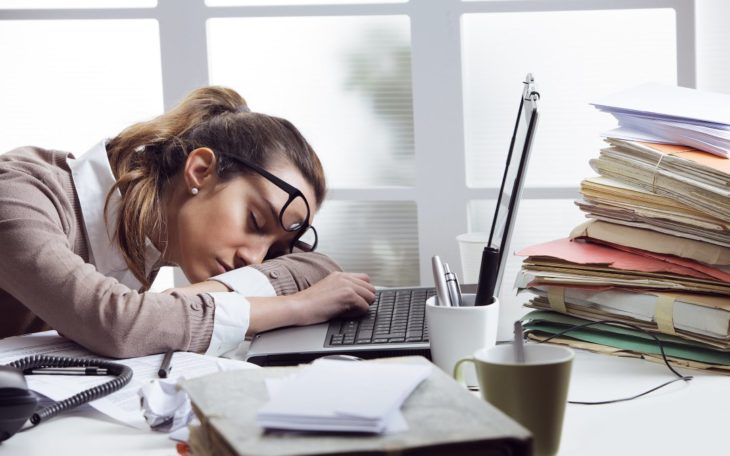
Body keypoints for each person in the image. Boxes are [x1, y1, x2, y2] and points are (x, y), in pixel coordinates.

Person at [0, 86, 375, 358]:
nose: (256, 259)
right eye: (255, 221)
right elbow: (115, 325)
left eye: (274, 248)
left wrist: (180, 303)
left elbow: (319, 269)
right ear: (200, 170)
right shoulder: (19, 195)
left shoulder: (143, 237)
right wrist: (295, 308)